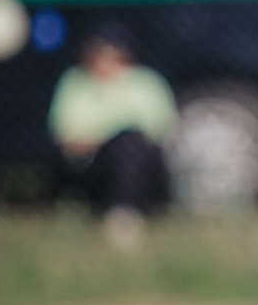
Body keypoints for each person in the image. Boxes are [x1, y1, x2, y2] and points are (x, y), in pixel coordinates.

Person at [48, 26, 175, 244]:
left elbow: (161, 130)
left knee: (129, 143)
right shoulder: (75, 82)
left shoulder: (145, 82)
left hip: (141, 162)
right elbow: (65, 136)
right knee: (123, 146)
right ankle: (123, 213)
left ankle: (123, 212)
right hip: (92, 163)